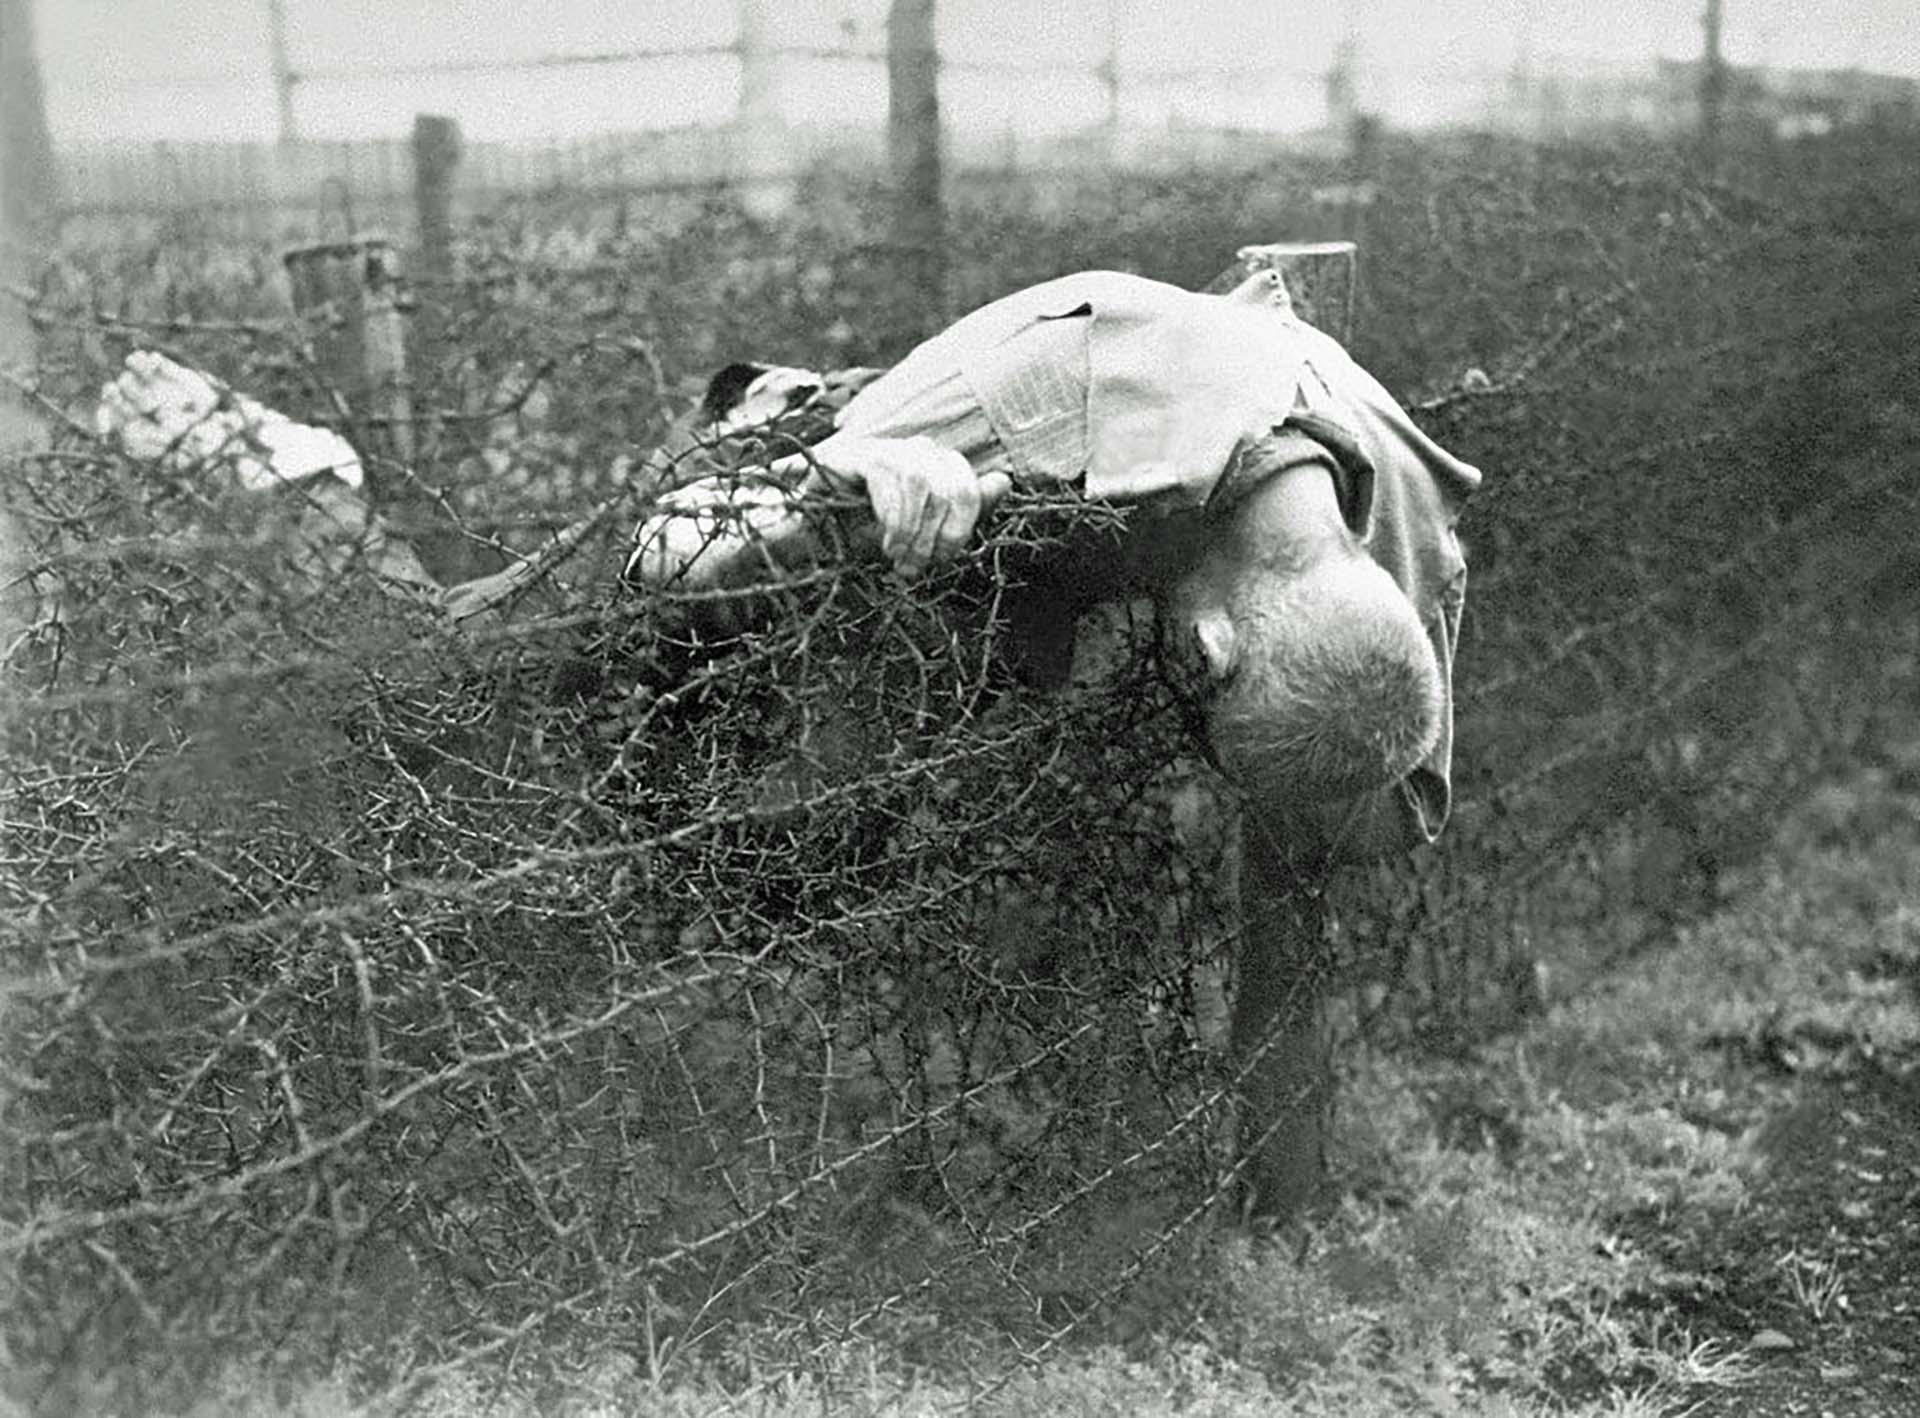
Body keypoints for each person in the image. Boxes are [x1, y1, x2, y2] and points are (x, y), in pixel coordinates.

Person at [634, 268, 1481, 1220]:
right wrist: (861, 469)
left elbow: (1369, 786)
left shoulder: (1389, 528)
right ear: (1208, 645)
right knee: (792, 826)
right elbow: (668, 546)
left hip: (1112, 493)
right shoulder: (1042, 401)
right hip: (857, 465)